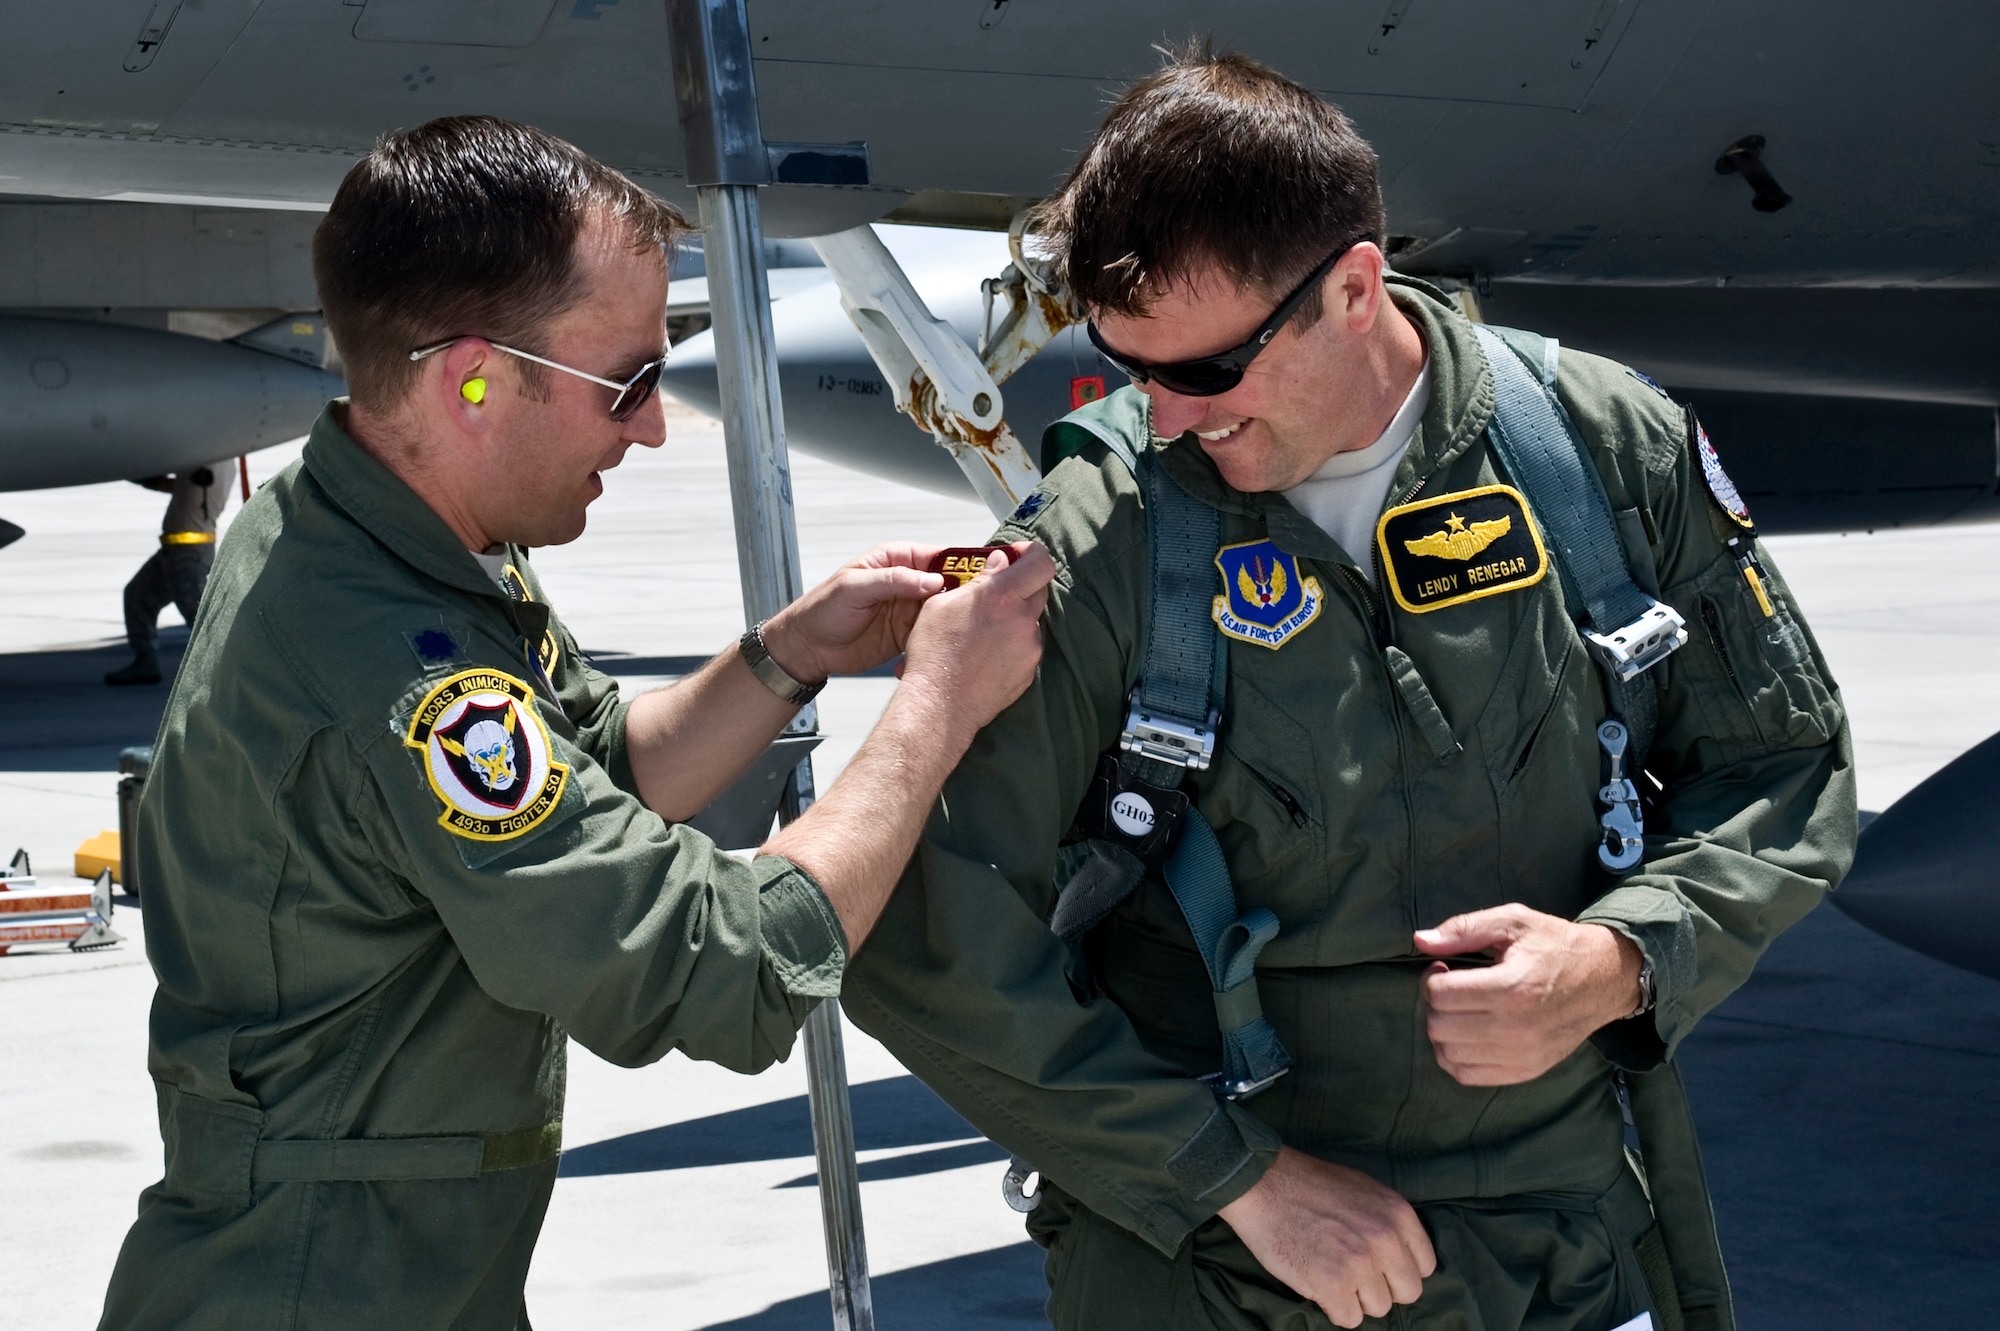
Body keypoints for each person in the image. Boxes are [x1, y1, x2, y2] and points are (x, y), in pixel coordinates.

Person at [840, 48, 1855, 1331]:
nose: (1159, 419)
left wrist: (1618, 959)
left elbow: (1782, 764)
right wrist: (1238, 1179)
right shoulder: (1104, 538)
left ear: (1355, 287)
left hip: (1561, 1253)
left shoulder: (1593, 450)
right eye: (1126, 365)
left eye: (1205, 372)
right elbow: (915, 922)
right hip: (1222, 1279)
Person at [96, 116, 1054, 1329]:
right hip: (319, 1286)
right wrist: (935, 706)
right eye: (629, 383)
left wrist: (789, 654)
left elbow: (594, 773)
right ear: (472, 380)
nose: (651, 427)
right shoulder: (393, 662)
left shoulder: (384, 528)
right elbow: (726, 972)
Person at [104, 463, 234, 685]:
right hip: (173, 551)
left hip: (189, 555)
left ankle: (229, 672)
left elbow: (182, 484)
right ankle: (145, 662)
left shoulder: (211, 462)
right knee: (138, 596)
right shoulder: (203, 461)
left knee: (196, 612)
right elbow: (175, 486)